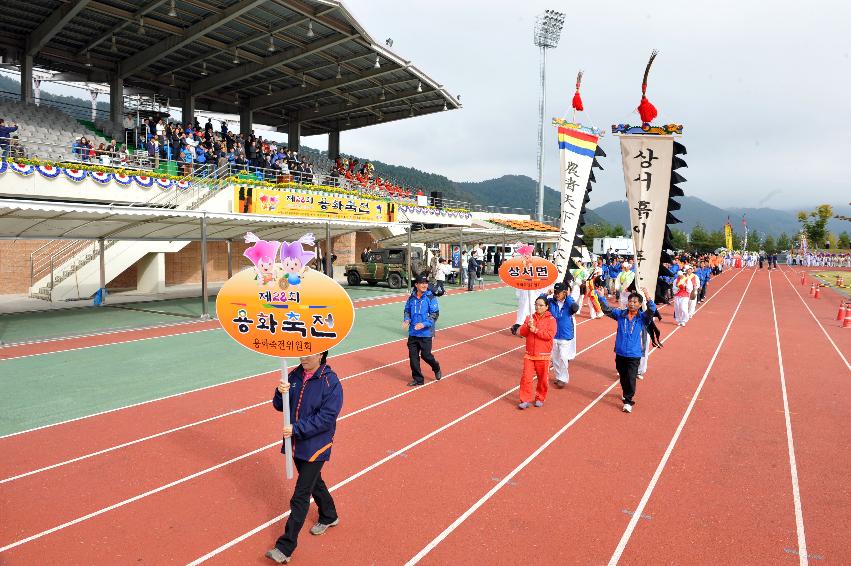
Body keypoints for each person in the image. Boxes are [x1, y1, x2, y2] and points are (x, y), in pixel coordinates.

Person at [266, 350, 343, 564]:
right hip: (296, 443)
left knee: (300, 495)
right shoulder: (294, 375)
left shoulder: (331, 382)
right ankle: (329, 515)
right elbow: (280, 406)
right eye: (303, 354)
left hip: (316, 445)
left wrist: (297, 429)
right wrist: (279, 392)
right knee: (314, 483)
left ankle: (285, 547)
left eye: (309, 355)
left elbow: (327, 417)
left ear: (321, 356)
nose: (303, 358)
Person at [595, 286, 658, 413]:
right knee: (622, 375)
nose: (632, 304)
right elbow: (606, 309)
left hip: (634, 354)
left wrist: (647, 295)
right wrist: (601, 296)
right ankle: (626, 392)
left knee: (630, 377)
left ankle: (628, 401)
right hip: (620, 352)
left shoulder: (642, 318)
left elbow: (652, 310)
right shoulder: (620, 314)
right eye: (630, 301)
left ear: (640, 304)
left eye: (635, 302)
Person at [518, 296, 557, 409]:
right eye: (536, 304)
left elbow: (549, 335)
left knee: (543, 379)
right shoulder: (530, 318)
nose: (538, 307)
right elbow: (523, 332)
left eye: (541, 305)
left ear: (546, 307)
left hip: (543, 356)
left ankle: (540, 397)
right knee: (526, 377)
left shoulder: (551, 320)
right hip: (529, 354)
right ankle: (525, 399)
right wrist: (528, 326)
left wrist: (535, 330)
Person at [403, 273, 442, 386]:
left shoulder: (430, 297)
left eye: (426, 283)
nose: (425, 285)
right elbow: (407, 310)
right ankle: (418, 379)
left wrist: (423, 324)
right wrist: (406, 319)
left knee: (426, 355)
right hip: (413, 333)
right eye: (422, 283)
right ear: (416, 285)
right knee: (413, 357)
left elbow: (435, 314)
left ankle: (436, 367)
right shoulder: (411, 298)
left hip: (425, 333)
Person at [542, 282, 580, 388]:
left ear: (564, 292)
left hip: (565, 335)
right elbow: (539, 302)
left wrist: (567, 297)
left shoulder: (569, 302)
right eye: (555, 292)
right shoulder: (550, 302)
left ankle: (563, 379)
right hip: (553, 334)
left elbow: (575, 308)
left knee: (563, 357)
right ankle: (559, 376)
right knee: (555, 358)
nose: (556, 294)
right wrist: (546, 294)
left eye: (559, 292)